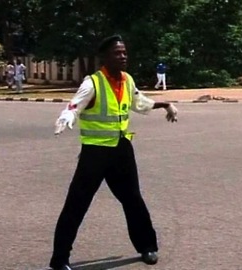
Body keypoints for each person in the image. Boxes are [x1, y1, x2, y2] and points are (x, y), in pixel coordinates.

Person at [49, 34, 178, 270]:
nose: (123, 56)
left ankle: (147, 247)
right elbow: (74, 105)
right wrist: (66, 118)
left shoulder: (127, 80)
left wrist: (165, 104)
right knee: (76, 204)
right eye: (117, 53)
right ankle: (59, 259)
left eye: (124, 52)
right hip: (95, 154)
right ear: (104, 58)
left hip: (121, 151)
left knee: (133, 200)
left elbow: (140, 103)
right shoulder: (93, 83)